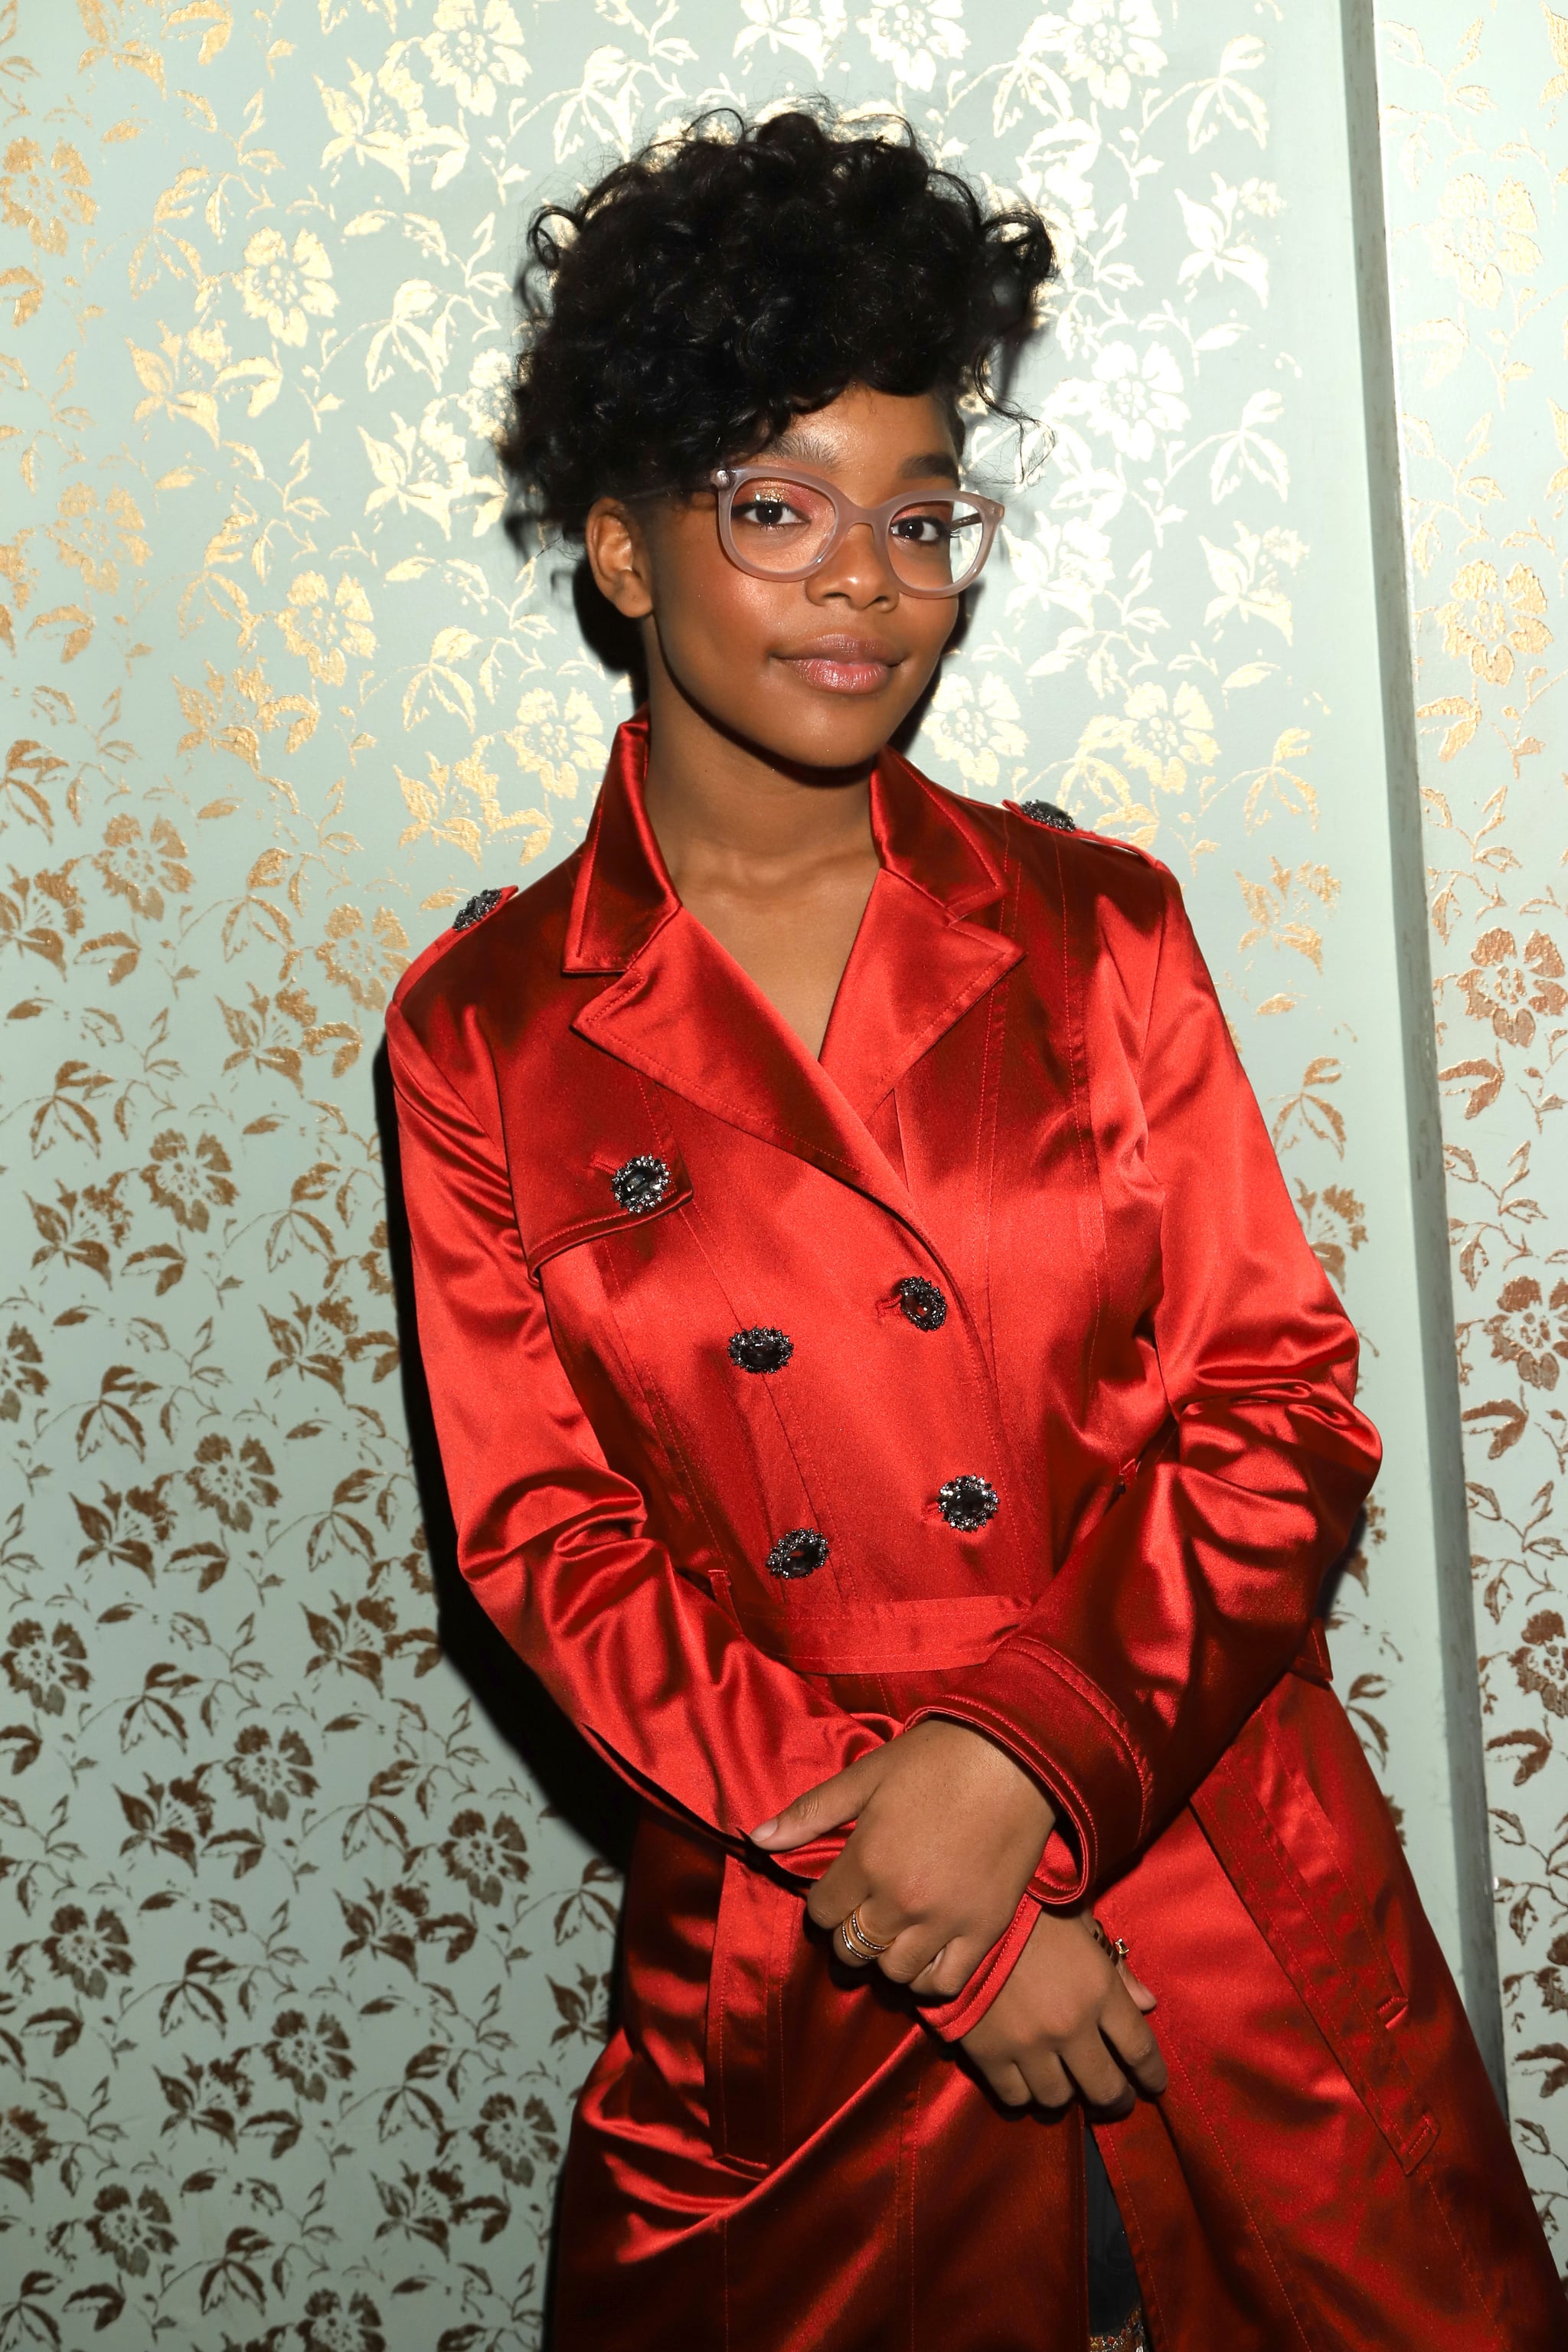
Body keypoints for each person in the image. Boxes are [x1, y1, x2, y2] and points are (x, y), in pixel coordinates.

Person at [384, 106, 1561, 2351]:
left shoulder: (1096, 927)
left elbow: (1275, 1407)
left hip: (1210, 1866)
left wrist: (1017, 1771)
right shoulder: (489, 1032)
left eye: (919, 517)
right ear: (624, 552)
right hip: (808, 1940)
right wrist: (941, 1911)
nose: (868, 580)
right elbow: (549, 1548)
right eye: (777, 511)